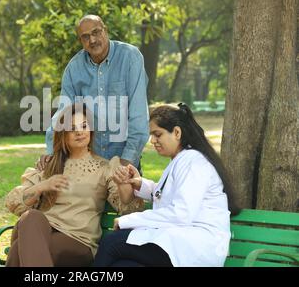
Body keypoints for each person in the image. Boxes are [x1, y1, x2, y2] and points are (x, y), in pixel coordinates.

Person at [93, 103, 241, 267]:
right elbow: (170, 193)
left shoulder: (193, 162)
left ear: (177, 132)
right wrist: (140, 184)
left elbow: (181, 214)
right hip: (180, 240)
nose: (152, 141)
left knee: (112, 243)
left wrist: (129, 220)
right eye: (151, 135)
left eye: (158, 134)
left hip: (197, 246)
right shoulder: (182, 159)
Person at [4, 104, 144, 267]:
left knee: (17, 249)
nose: (79, 132)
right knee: (31, 217)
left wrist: (124, 185)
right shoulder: (49, 166)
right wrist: (42, 186)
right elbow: (13, 203)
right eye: (72, 128)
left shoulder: (105, 168)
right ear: (62, 135)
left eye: (84, 126)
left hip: (78, 242)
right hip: (41, 233)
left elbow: (129, 209)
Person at [38, 15, 149, 174]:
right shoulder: (74, 69)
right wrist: (51, 151)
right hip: (88, 163)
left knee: (123, 198)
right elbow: (63, 113)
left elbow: (138, 116)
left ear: (106, 31)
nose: (92, 40)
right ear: (81, 41)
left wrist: (127, 162)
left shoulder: (131, 57)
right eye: (85, 37)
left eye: (96, 32)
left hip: (123, 159)